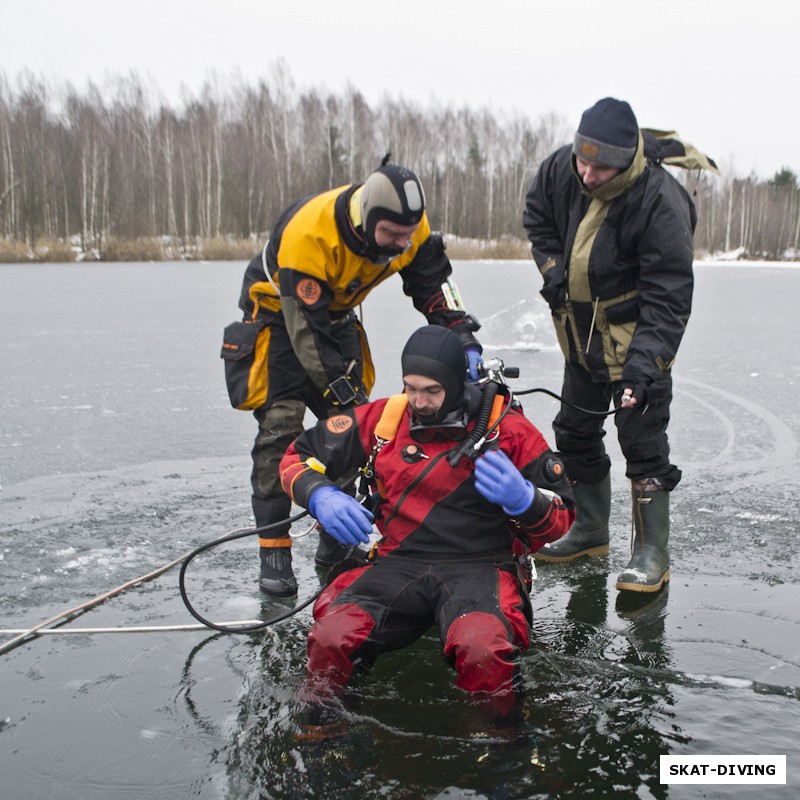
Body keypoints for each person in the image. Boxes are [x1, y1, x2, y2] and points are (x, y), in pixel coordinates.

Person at [279, 325, 575, 716]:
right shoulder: (385, 418)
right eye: (410, 387)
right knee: (332, 636)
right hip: (398, 561)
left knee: (483, 648)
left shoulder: (506, 429)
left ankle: (498, 742)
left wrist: (527, 501)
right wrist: (320, 494)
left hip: (481, 564)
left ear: (454, 384)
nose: (418, 401)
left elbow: (563, 515)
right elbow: (295, 457)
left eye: (431, 391)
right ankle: (321, 727)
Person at [223, 164, 483, 597]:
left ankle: (336, 542)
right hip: (277, 317)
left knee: (351, 431)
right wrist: (343, 393)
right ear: (365, 221)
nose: (402, 243)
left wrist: (461, 332)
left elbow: (434, 282)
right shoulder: (311, 237)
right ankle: (274, 550)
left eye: (408, 234)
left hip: (337, 314)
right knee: (280, 430)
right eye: (391, 235)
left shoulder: (410, 231)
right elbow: (307, 335)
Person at [522, 97, 698, 593]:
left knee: (641, 441)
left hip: (635, 338)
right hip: (581, 339)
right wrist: (553, 271)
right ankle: (590, 529)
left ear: (626, 159)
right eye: (583, 160)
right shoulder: (563, 168)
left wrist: (645, 370)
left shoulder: (659, 200)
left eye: (600, 166)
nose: (587, 173)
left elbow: (668, 296)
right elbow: (536, 217)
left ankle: (649, 554)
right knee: (574, 429)